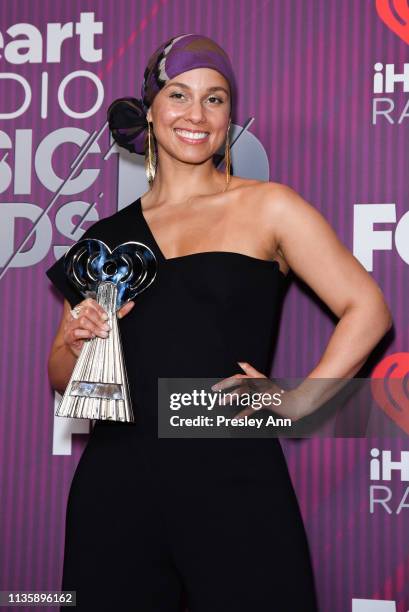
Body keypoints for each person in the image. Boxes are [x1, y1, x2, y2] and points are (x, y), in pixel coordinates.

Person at [46, 33, 392, 612]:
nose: (196, 114)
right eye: (178, 95)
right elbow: (61, 375)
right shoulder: (105, 239)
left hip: (229, 465)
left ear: (230, 116)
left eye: (216, 98)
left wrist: (302, 401)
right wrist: (78, 344)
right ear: (149, 109)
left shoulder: (268, 206)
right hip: (118, 477)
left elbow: (369, 309)